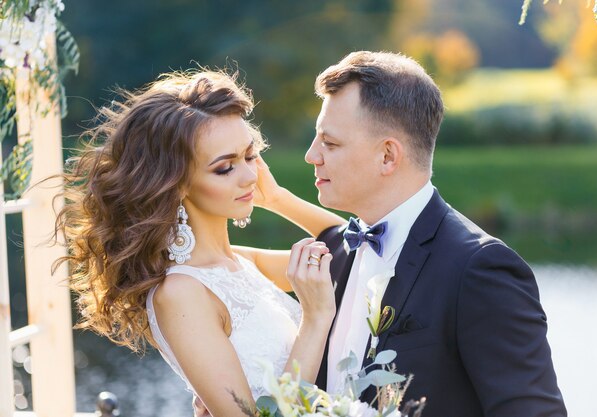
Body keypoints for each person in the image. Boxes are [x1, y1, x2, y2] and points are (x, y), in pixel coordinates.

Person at [54, 69, 346, 416]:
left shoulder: (240, 262)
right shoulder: (180, 293)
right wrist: (314, 321)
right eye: (225, 168)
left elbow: (349, 253)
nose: (251, 176)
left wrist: (279, 198)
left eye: (250, 156)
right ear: (176, 183)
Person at [307, 51, 567, 417]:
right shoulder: (336, 250)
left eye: (329, 143)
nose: (311, 155)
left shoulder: (479, 269)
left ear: (387, 156)